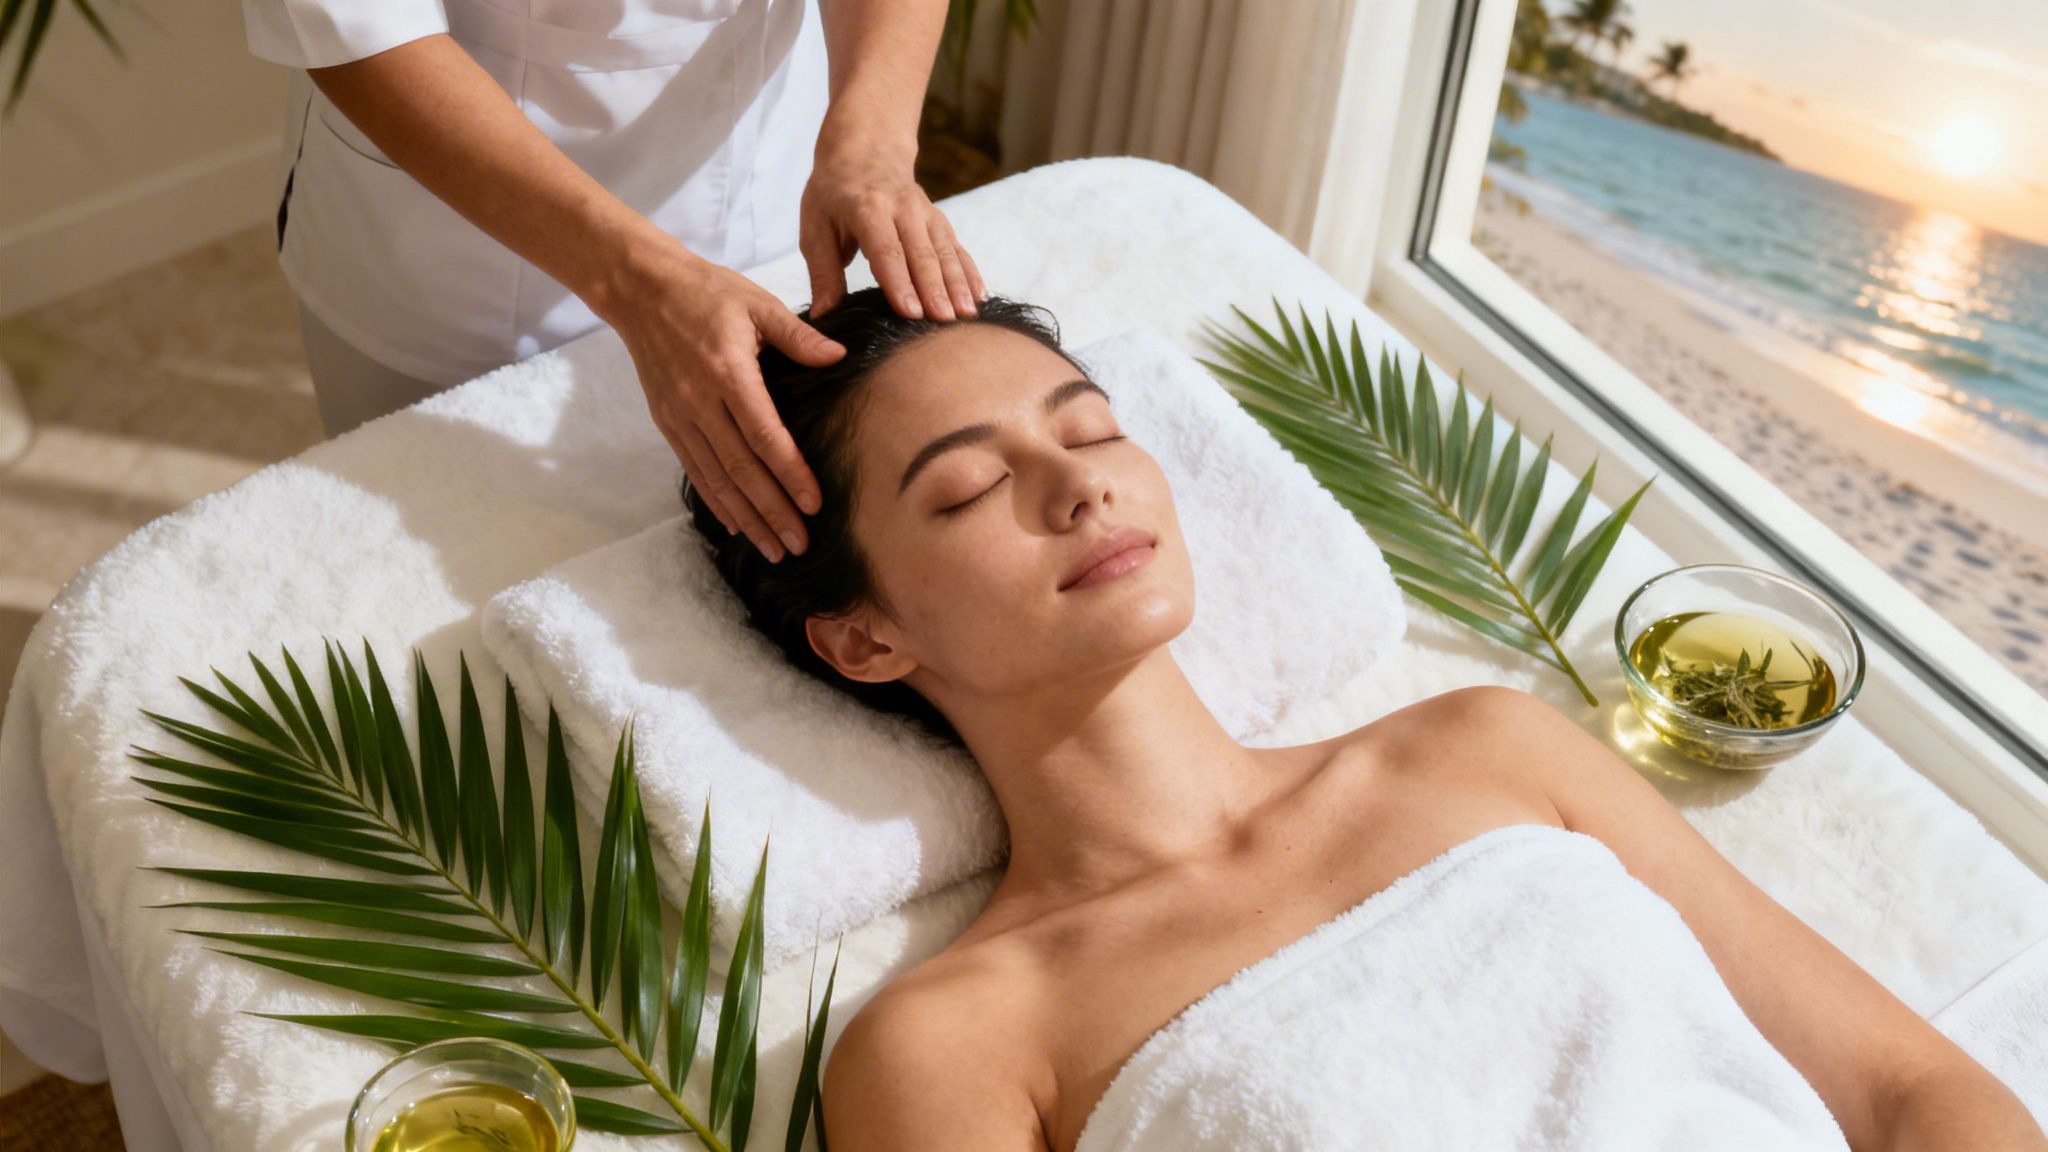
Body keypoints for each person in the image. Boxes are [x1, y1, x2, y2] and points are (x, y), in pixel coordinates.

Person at [680, 287, 2045, 1150]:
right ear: (865, 636)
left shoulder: (1485, 749)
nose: (1079, 489)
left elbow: (1911, 1095)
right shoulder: (956, 1044)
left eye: (1090, 430)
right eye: (972, 486)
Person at [245, 0, 984, 565]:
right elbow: (354, 26)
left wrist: (874, 143)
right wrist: (639, 288)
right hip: (463, 260)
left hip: (770, 188)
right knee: (447, 571)